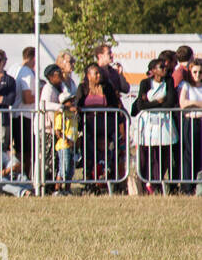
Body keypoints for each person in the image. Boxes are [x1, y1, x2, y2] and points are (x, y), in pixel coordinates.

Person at [131, 58, 179, 193]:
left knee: (162, 156)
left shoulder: (168, 82)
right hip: (148, 125)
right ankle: (145, 184)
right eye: (161, 67)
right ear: (153, 71)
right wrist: (157, 102)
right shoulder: (145, 83)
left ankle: (157, 184)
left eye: (165, 66)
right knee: (146, 156)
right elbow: (140, 105)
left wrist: (151, 103)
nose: (164, 69)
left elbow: (169, 103)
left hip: (164, 124)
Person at [76, 63, 120, 185]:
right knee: (89, 155)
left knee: (106, 155)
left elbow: (114, 106)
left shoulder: (107, 87)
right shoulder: (83, 88)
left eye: (99, 73)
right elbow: (78, 105)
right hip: (89, 127)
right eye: (95, 73)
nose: (98, 75)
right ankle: (89, 181)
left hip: (106, 127)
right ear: (88, 76)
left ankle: (107, 181)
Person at [39, 65, 76, 193]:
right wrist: (62, 107)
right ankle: (47, 187)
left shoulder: (60, 87)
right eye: (57, 73)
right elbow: (44, 104)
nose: (60, 75)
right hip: (47, 128)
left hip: (55, 128)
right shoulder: (48, 88)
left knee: (57, 161)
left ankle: (56, 187)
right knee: (47, 160)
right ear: (50, 76)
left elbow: (67, 96)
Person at [176, 58, 202, 194]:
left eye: (200, 72)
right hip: (190, 121)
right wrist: (197, 103)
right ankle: (187, 186)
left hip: (200, 121)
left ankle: (198, 186)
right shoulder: (186, 85)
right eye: (195, 72)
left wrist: (192, 103)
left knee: (200, 154)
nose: (197, 75)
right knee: (188, 154)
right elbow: (183, 103)